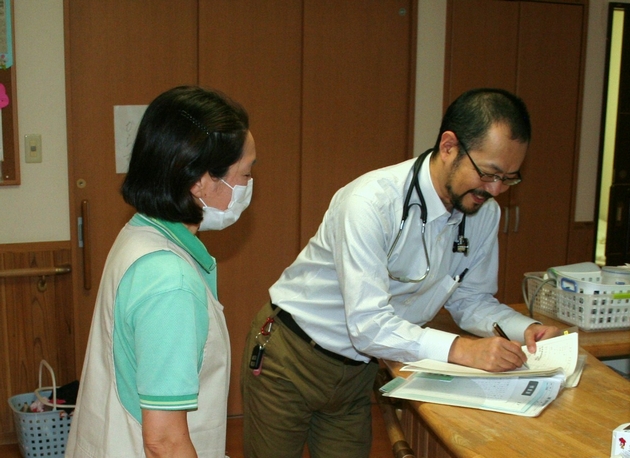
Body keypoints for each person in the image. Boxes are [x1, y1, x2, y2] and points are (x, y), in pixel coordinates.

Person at [241, 88, 559, 458]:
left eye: (510, 178)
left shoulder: (483, 213)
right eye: (489, 174)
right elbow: (369, 325)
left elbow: (470, 300)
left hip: (358, 370)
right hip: (291, 357)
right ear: (449, 146)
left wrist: (526, 330)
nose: (496, 190)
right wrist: (461, 349)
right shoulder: (371, 202)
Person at [66, 85, 255, 458]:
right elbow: (164, 442)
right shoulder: (170, 281)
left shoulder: (140, 234)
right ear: (200, 181)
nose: (249, 186)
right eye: (245, 173)